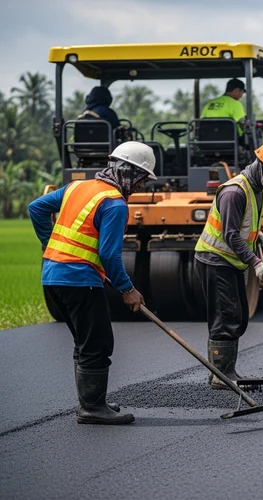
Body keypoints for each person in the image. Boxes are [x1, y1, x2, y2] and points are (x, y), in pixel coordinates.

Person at [28, 142, 156, 425]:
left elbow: (36, 207)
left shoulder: (77, 187)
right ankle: (92, 408)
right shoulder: (115, 204)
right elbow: (109, 254)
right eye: (141, 178)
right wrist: (128, 289)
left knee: (85, 342)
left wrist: (50, 245)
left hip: (52, 276)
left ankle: (91, 402)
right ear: (129, 172)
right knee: (97, 343)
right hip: (79, 280)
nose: (140, 186)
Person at [194, 140, 263, 389]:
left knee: (238, 317)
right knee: (226, 317)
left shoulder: (259, 188)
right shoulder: (234, 192)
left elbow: (243, 223)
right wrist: (255, 262)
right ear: (261, 167)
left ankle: (225, 371)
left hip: (231, 261)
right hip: (215, 259)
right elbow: (229, 234)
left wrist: (256, 233)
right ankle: (221, 375)